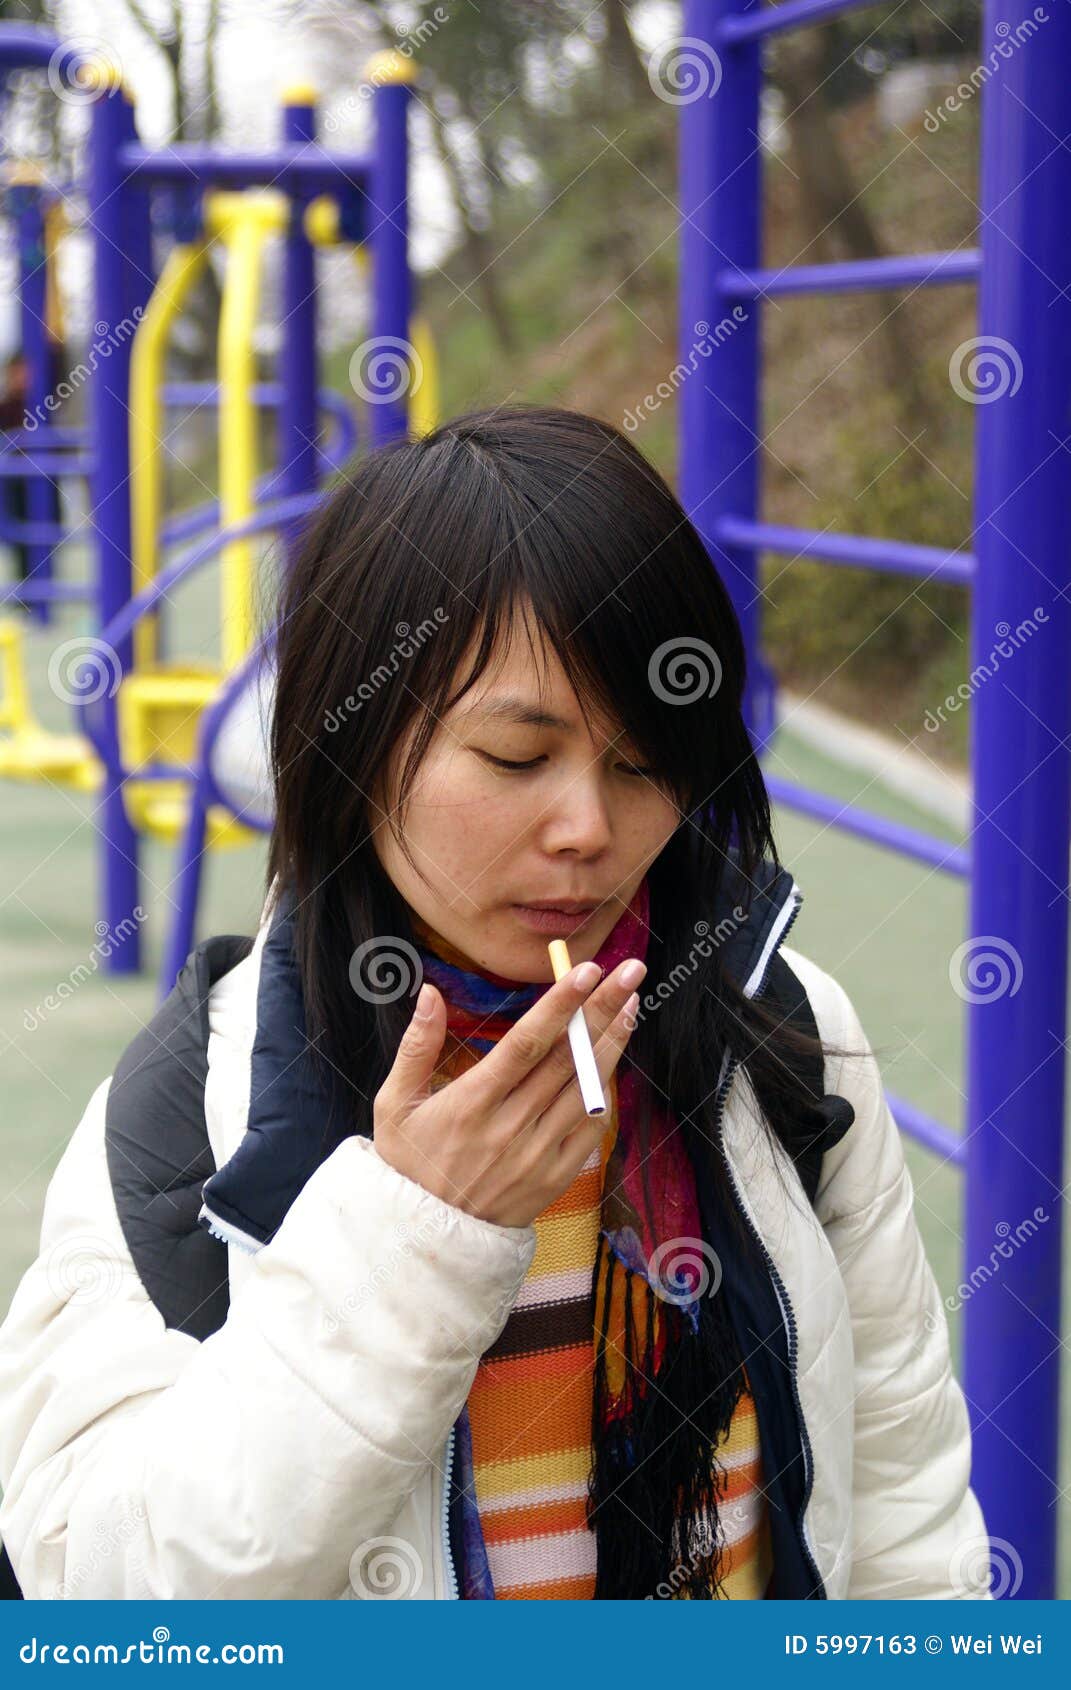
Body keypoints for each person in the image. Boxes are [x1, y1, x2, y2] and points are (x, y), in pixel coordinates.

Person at [0, 404, 992, 1601]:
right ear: (353, 743)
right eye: (517, 759)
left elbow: (901, 1501)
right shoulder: (184, 1119)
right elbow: (96, 1591)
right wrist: (414, 1240)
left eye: (643, 762)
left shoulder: (782, 1036)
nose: (588, 830)